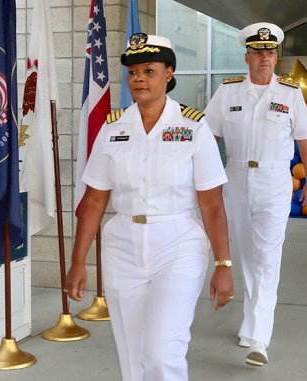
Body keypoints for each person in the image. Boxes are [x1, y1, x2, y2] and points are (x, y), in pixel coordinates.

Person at [65, 33, 234, 381]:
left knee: (162, 350)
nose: (138, 79)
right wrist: (78, 262)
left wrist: (223, 263)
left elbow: (212, 204)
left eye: (148, 71)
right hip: (122, 244)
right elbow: (96, 199)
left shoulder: (192, 127)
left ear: (168, 74)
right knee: (132, 353)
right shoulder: (113, 128)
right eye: (132, 72)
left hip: (177, 243)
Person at [204, 22, 307, 367]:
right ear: (247, 56)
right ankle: (250, 323)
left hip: (274, 180)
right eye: (258, 52)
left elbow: (304, 142)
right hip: (235, 177)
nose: (264, 57)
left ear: (276, 56)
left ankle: (260, 338)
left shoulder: (290, 93)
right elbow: (209, 139)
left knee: (268, 257)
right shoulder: (228, 92)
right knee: (246, 254)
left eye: (269, 52)